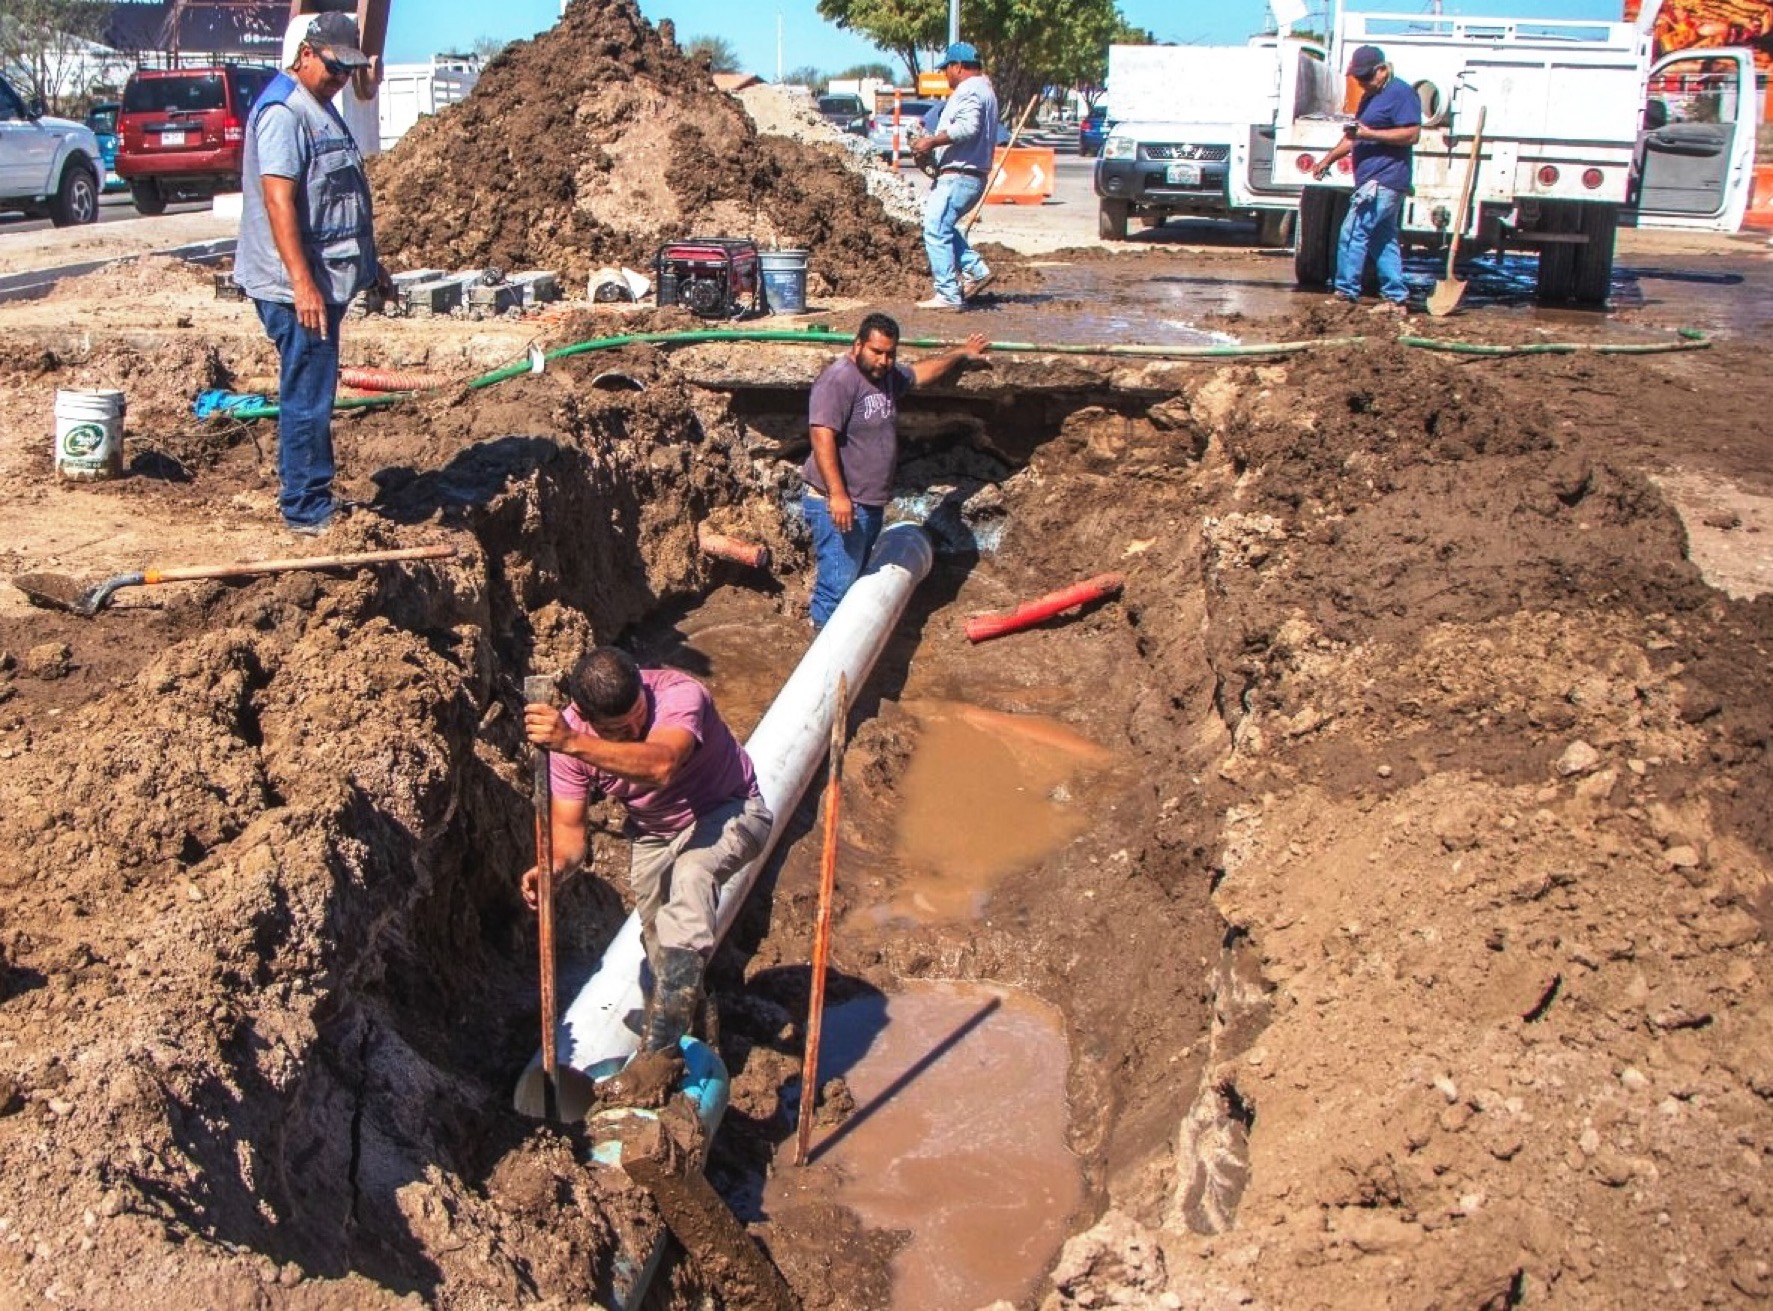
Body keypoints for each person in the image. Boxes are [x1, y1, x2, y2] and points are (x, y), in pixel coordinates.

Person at [522, 647, 773, 1053]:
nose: (636, 727)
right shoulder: (569, 747)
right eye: (619, 729)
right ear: (587, 718)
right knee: (658, 940)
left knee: (692, 875)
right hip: (654, 835)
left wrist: (573, 742)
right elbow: (569, 836)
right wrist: (553, 871)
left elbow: (662, 765)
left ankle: (658, 1050)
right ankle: (694, 1037)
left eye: (639, 713)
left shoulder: (678, 693)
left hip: (731, 811)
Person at [235, 11, 392, 536]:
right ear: (305, 54)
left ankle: (312, 492)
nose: (341, 77)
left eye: (349, 69)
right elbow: (280, 203)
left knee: (315, 389)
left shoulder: (318, 106)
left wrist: (373, 267)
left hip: (322, 282)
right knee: (307, 395)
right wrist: (303, 283)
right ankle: (305, 506)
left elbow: (339, 202)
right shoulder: (285, 114)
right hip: (296, 289)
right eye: (333, 66)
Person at [801, 313, 989, 628]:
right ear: (858, 345)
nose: (884, 360)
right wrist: (837, 495)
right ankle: (825, 655)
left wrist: (960, 353)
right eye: (877, 352)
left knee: (855, 579)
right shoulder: (838, 380)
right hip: (839, 504)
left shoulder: (885, 376)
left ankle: (845, 651)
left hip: (868, 502)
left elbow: (918, 374)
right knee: (836, 587)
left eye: (891, 353)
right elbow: (822, 436)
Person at [1311, 44, 1422, 315]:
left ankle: (1345, 292)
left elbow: (1411, 134)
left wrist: (1371, 135)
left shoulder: (1402, 94)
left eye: (1366, 78)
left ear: (1382, 70)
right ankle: (1395, 298)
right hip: (1372, 179)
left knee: (1353, 232)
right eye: (1358, 79)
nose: (1362, 83)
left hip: (1385, 178)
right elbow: (1354, 136)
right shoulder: (1370, 97)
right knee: (1381, 239)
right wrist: (1328, 159)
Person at [910, 41, 1001, 309]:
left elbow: (968, 127)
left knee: (935, 228)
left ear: (957, 66)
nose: (944, 75)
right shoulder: (986, 90)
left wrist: (932, 142)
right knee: (943, 226)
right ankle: (975, 268)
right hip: (970, 174)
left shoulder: (970, 89)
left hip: (960, 174)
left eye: (946, 69)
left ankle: (948, 293)